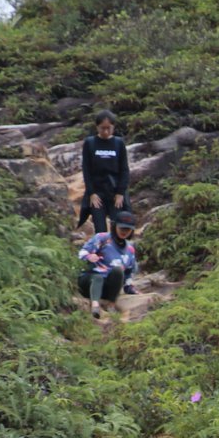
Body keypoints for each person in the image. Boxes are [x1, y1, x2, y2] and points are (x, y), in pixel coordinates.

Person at [78, 110, 131, 253]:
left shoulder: (119, 143)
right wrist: (91, 193)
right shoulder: (90, 143)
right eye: (103, 128)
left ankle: (119, 255)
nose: (106, 131)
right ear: (97, 127)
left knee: (117, 226)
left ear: (113, 127)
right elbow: (86, 170)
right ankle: (101, 256)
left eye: (109, 128)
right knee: (100, 230)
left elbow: (124, 170)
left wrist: (120, 193)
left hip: (114, 192)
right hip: (97, 192)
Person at [78, 209, 139, 319]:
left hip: (108, 288)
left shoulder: (130, 249)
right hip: (89, 281)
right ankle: (95, 306)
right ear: (115, 226)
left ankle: (111, 304)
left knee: (118, 270)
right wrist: (89, 256)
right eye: (122, 228)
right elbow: (82, 253)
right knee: (97, 278)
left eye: (128, 229)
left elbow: (128, 274)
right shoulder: (102, 238)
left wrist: (130, 289)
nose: (124, 231)